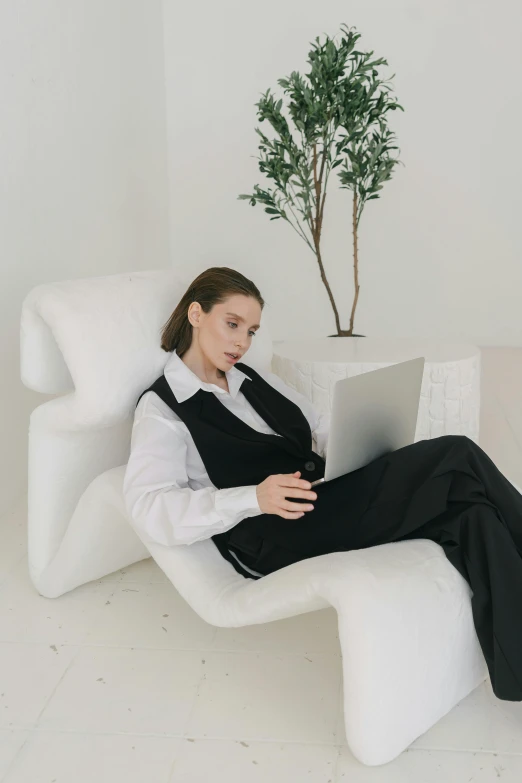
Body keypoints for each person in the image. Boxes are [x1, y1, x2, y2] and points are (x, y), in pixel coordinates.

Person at [123, 265, 522, 702]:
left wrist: (361, 441)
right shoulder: (162, 409)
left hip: (325, 500)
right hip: (275, 532)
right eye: (232, 324)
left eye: (252, 331)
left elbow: (316, 426)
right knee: (457, 453)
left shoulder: (253, 379)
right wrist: (252, 498)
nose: (242, 342)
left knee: (473, 515)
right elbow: (148, 508)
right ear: (197, 315)